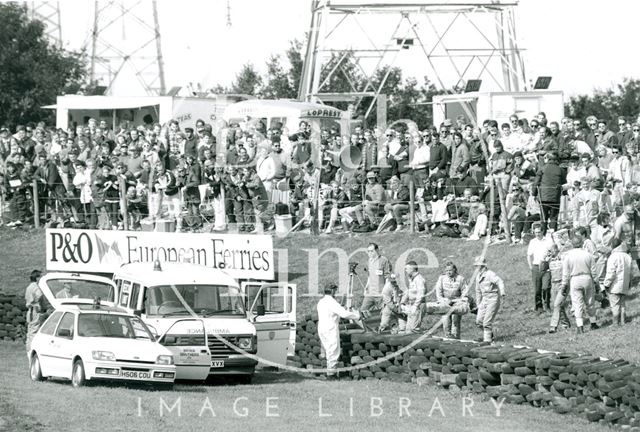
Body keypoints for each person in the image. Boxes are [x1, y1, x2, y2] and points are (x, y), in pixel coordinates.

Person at [317, 282, 361, 379]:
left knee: (329, 351)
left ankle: (330, 372)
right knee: (333, 350)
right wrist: (357, 316)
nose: (335, 293)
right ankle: (331, 375)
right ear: (332, 291)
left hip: (322, 328)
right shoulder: (332, 302)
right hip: (330, 328)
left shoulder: (321, 301)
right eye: (335, 291)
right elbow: (344, 314)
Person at [560, 236, 599, 334]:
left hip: (575, 279)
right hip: (587, 277)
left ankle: (580, 326)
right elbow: (594, 271)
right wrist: (596, 283)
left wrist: (564, 285)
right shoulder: (588, 255)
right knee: (590, 301)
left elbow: (565, 273)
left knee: (577, 303)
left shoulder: (568, 256)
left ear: (572, 245)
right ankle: (593, 323)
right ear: (582, 243)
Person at [473, 256, 505, 343]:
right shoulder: (478, 277)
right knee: (479, 321)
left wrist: (502, 292)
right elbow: (478, 291)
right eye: (476, 266)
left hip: (493, 298)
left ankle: (487, 341)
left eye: (479, 266)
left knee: (486, 322)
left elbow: (500, 281)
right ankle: (489, 335)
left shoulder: (490, 274)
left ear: (483, 266)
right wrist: (478, 304)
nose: (478, 268)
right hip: (484, 299)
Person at [433, 261, 469, 339]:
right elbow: (438, 292)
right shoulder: (442, 278)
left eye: (450, 270)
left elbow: (465, 292)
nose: (448, 272)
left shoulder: (460, 279)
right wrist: (443, 300)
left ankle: (456, 339)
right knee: (446, 322)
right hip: (445, 302)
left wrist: (459, 301)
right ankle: (447, 337)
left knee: (455, 322)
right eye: (447, 270)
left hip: (457, 302)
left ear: (454, 270)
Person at [602, 238, 632, 326]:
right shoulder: (627, 256)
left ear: (612, 246)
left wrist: (606, 284)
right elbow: (630, 271)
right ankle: (623, 320)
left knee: (615, 304)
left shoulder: (613, 257)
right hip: (625, 283)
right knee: (622, 303)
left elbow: (611, 273)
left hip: (615, 284)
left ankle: (615, 322)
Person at [527, 222, 553, 312]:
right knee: (537, 289)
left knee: (546, 287)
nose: (537, 234)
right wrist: (531, 266)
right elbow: (529, 255)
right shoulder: (532, 242)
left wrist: (549, 260)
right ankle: (538, 306)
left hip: (546, 267)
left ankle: (547, 305)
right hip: (536, 266)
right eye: (536, 232)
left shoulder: (548, 241)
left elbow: (552, 252)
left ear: (542, 231)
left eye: (539, 232)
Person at [361, 243, 392, 311]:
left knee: (384, 312)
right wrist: (366, 287)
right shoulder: (369, 261)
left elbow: (388, 277)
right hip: (370, 294)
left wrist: (385, 291)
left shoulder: (384, 260)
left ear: (377, 250)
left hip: (380, 294)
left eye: (372, 251)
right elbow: (369, 276)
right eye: (368, 251)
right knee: (363, 311)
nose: (370, 253)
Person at [400, 260, 427, 333]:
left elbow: (421, 294)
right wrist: (403, 302)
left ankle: (422, 341)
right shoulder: (411, 279)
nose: (405, 271)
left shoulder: (419, 279)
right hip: (412, 305)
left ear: (412, 269)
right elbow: (409, 292)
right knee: (408, 329)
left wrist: (415, 306)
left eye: (407, 269)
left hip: (418, 306)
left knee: (414, 329)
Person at [25, 270, 45, 355]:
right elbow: (39, 295)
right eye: (39, 276)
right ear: (36, 278)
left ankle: (28, 348)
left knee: (30, 331)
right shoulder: (35, 287)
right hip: (35, 310)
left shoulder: (29, 287)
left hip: (30, 310)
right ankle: (32, 350)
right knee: (34, 330)